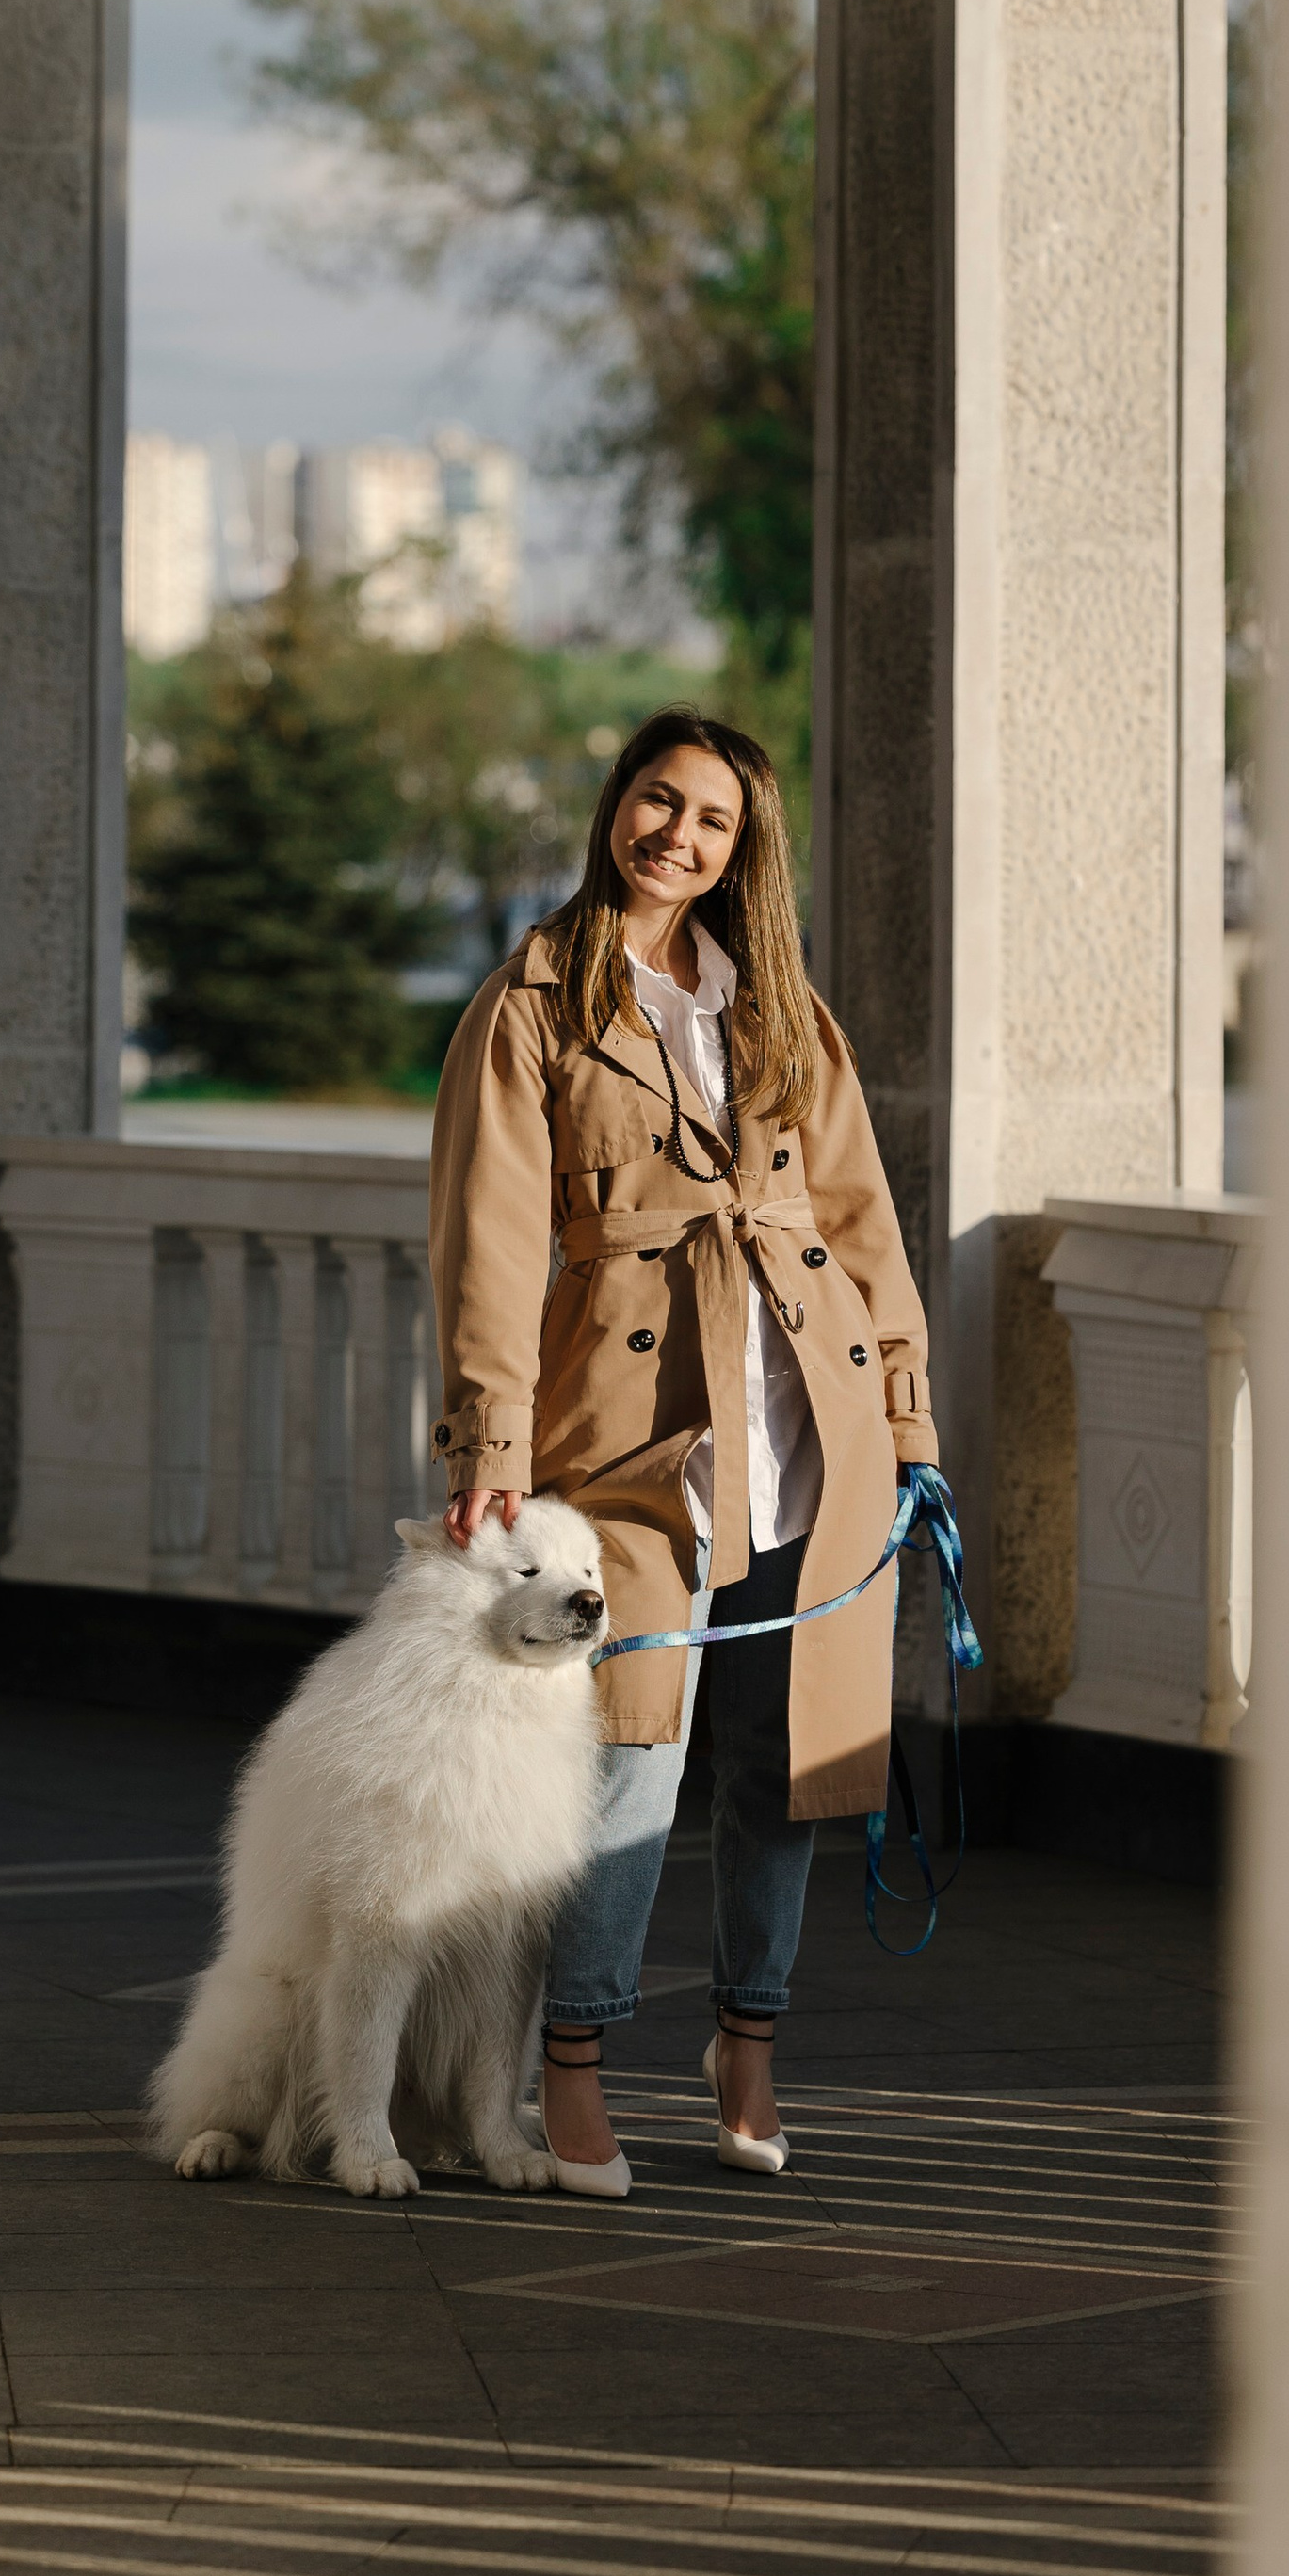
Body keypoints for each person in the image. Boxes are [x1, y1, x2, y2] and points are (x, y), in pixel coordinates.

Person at [427, 709, 937, 2197]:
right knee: (630, 1754)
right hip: (632, 1434)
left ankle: (748, 2045)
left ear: (740, 853)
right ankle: (573, 2060)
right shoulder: (531, 1002)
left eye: (711, 822)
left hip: (805, 1416)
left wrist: (902, 1421)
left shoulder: (783, 1009)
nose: (677, 837)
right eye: (660, 802)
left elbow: (863, 1228)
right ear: (616, 805)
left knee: (789, 1762)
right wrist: (491, 1438)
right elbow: (489, 1242)